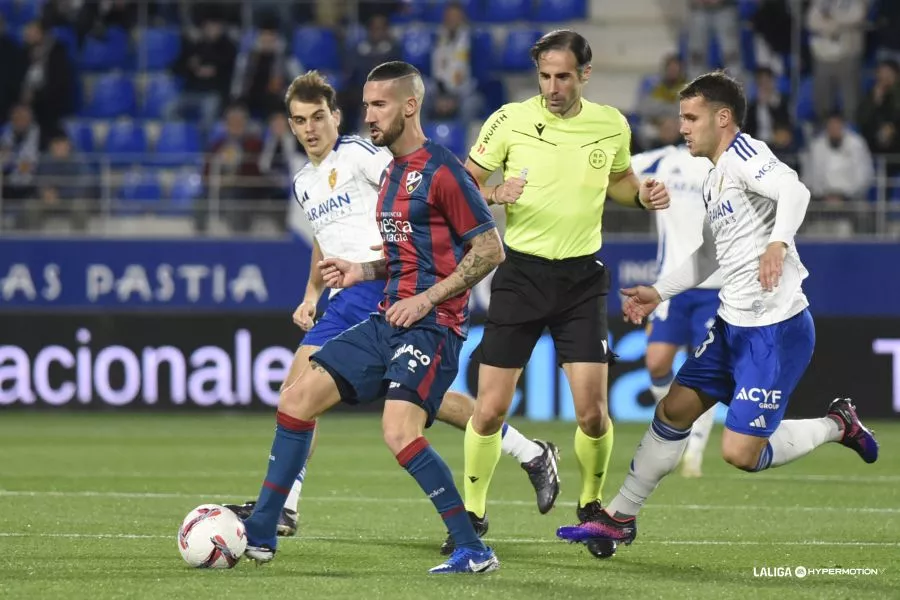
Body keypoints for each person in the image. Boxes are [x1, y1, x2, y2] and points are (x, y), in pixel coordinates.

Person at [556, 71, 880, 557]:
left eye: (691, 117)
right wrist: (659, 292)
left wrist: (777, 242)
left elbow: (797, 192)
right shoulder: (714, 178)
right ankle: (619, 518)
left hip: (775, 329)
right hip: (733, 326)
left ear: (722, 118)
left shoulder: (746, 156)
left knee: (740, 455)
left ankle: (838, 423)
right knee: (672, 410)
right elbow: (708, 255)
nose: (682, 127)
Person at [227, 71, 559, 538]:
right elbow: (324, 240)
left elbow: (425, 189)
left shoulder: (360, 154)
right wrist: (311, 295)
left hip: (384, 286)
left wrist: (486, 196)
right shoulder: (305, 182)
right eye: (300, 120)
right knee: (426, 401)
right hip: (352, 288)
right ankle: (530, 451)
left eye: (319, 116)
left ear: (336, 117)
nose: (310, 128)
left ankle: (282, 507)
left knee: (299, 392)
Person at [457, 29, 670, 554]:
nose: (552, 87)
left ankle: (592, 508)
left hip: (581, 279)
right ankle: (471, 517)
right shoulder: (508, 119)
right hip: (521, 273)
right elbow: (460, 185)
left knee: (594, 413)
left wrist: (642, 195)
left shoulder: (611, 124)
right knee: (488, 410)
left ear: (585, 75)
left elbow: (620, 180)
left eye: (563, 77)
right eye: (545, 76)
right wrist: (492, 192)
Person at [631, 144, 721, 478]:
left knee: (704, 368)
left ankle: (693, 450)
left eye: (693, 118)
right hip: (671, 284)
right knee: (656, 363)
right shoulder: (663, 160)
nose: (687, 126)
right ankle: (676, 429)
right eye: (684, 118)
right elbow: (616, 171)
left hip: (715, 285)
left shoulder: (725, 163)